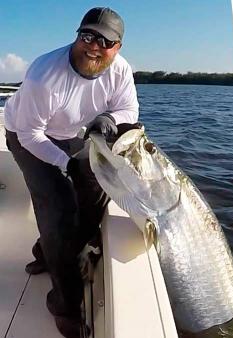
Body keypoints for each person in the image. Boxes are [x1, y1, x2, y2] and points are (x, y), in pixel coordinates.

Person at [3, 7, 138, 338]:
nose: (94, 45)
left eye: (105, 41)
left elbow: (129, 109)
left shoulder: (120, 70)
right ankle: (62, 304)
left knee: (93, 202)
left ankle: (46, 253)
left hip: (70, 135)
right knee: (57, 211)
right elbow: (29, 135)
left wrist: (111, 119)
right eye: (88, 36)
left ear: (118, 47)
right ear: (77, 35)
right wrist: (67, 165)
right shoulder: (44, 75)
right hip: (26, 137)